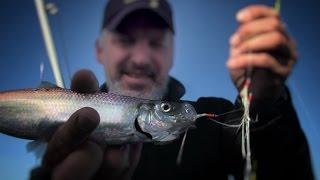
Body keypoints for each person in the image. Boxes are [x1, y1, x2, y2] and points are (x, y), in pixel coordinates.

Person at [30, 0, 314, 179]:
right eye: (125, 40)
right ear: (100, 50)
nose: (141, 58)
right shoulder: (62, 138)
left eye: (155, 43)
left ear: (172, 53)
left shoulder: (213, 115)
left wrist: (265, 105)